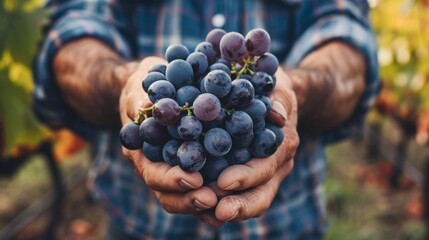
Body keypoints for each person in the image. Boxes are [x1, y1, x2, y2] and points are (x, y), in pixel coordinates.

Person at [33, 0, 380, 239]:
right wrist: (121, 83)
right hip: (138, 225)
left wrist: (299, 90)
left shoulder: (237, 91)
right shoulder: (184, 106)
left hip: (289, 225)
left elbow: (344, 35)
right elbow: (73, 33)